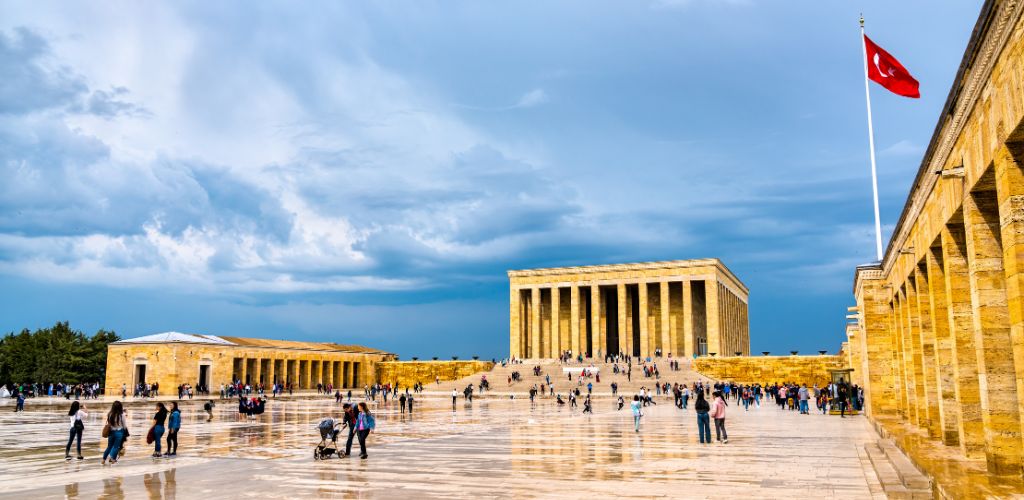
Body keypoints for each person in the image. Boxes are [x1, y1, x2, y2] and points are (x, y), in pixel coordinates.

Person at [102, 401, 126, 465]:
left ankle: (103, 459)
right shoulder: (122, 415)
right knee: (116, 447)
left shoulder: (110, 414)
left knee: (109, 446)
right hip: (119, 432)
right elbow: (124, 425)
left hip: (111, 432)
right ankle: (112, 459)